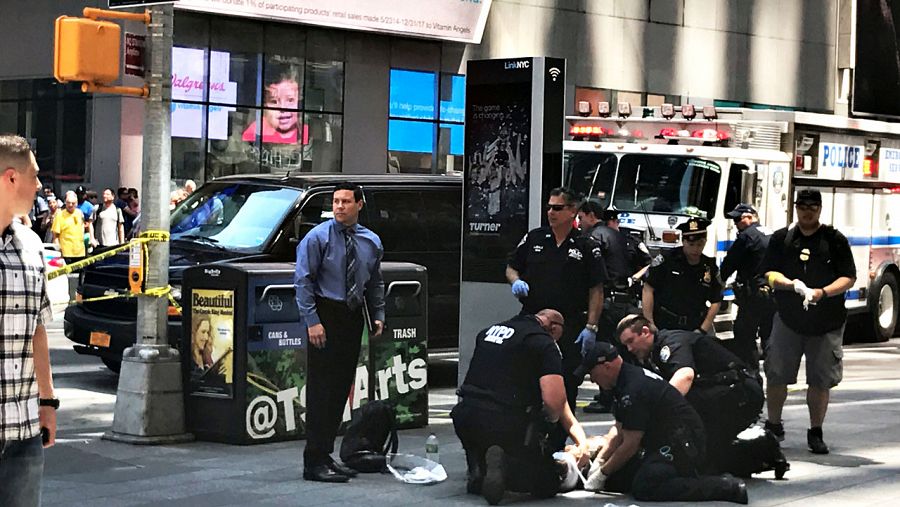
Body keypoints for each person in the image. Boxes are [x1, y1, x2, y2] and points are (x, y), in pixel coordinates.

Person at [616, 314, 788, 478]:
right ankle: (761, 452)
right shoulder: (651, 355)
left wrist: (654, 414)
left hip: (740, 392)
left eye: (631, 341)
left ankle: (764, 444)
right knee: (707, 459)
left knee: (692, 443)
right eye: (626, 345)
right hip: (720, 394)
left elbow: (685, 376)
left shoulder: (671, 343)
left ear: (645, 332)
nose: (629, 349)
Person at [578, 341, 748, 504]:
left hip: (683, 442)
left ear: (606, 367)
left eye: (592, 374)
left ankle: (726, 487)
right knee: (620, 477)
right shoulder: (624, 381)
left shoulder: (633, 388)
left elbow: (630, 443)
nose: (592, 380)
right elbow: (619, 429)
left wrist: (603, 472)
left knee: (646, 485)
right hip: (662, 440)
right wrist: (600, 462)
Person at [294, 182, 385, 483]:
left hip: (352, 315)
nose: (339, 207)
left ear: (359, 205)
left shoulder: (370, 241)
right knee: (322, 389)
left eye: (346, 201)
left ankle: (326, 454)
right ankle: (313, 460)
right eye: (335, 202)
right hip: (326, 312)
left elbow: (374, 282)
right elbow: (303, 281)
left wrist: (378, 315)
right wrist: (312, 321)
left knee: (339, 389)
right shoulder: (317, 238)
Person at [452, 309, 591, 505]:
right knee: (546, 484)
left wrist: (581, 441)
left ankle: (479, 466)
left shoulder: (488, 332)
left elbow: (561, 405)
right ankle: (507, 465)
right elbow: (555, 402)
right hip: (505, 423)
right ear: (553, 327)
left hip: (466, 417)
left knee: (485, 436)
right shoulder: (543, 343)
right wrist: (546, 426)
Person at [760, 189, 856, 454]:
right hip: (788, 319)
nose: (807, 211)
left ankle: (816, 431)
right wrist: (791, 285)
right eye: (802, 206)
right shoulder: (782, 239)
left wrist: (822, 292)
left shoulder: (834, 240)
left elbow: (849, 277)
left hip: (826, 322)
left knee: (820, 380)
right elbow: (767, 273)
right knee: (776, 373)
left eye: (812, 206)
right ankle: (774, 425)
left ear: (820, 209)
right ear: (796, 208)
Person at [506, 187, 607, 428]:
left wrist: (591, 326)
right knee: (526, 378)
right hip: (533, 321)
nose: (551, 212)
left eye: (557, 208)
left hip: (568, 325)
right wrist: (515, 281)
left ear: (573, 211)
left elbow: (596, 289)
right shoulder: (535, 238)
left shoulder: (586, 245)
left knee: (566, 382)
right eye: (549, 207)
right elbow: (511, 266)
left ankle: (562, 441)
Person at [0, 135, 58, 507]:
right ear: (10, 178)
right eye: (34, 176)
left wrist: (48, 402)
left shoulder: (32, 246)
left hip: (23, 431)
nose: (39, 185)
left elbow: (38, 328)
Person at [643, 216, 723, 334]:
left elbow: (716, 299)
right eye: (691, 244)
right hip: (665, 324)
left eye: (700, 244)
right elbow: (648, 289)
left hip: (695, 326)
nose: (696, 249)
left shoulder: (709, 266)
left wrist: (703, 329)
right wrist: (650, 323)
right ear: (683, 241)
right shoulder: (667, 260)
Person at [720, 203, 775, 368]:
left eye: (738, 219)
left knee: (744, 334)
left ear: (750, 217)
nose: (735, 224)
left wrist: (719, 282)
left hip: (753, 296)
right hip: (773, 294)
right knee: (769, 334)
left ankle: (751, 373)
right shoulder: (771, 234)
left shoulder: (747, 237)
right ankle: (774, 370)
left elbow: (729, 264)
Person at [243, 70, 300, 144]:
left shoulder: (305, 132)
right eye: (274, 102)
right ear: (265, 105)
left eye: (290, 100)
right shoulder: (256, 129)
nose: (283, 108)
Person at [52, 191, 86, 262]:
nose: (70, 205)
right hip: (66, 253)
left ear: (76, 203)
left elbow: (82, 227)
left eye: (73, 203)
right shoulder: (59, 215)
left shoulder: (80, 213)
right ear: (65, 202)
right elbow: (55, 236)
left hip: (80, 252)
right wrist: (58, 250)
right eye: (68, 202)